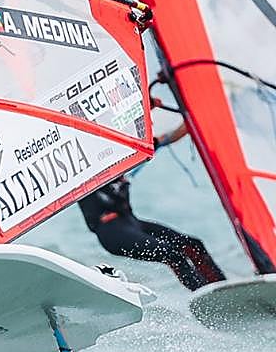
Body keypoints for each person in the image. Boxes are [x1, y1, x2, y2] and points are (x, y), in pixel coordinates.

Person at [77, 121, 225, 291]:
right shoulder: (85, 171)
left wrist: (192, 118)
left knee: (193, 245)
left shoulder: (126, 154)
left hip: (132, 223)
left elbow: (167, 138)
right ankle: (204, 294)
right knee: (171, 254)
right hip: (111, 232)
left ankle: (221, 287)